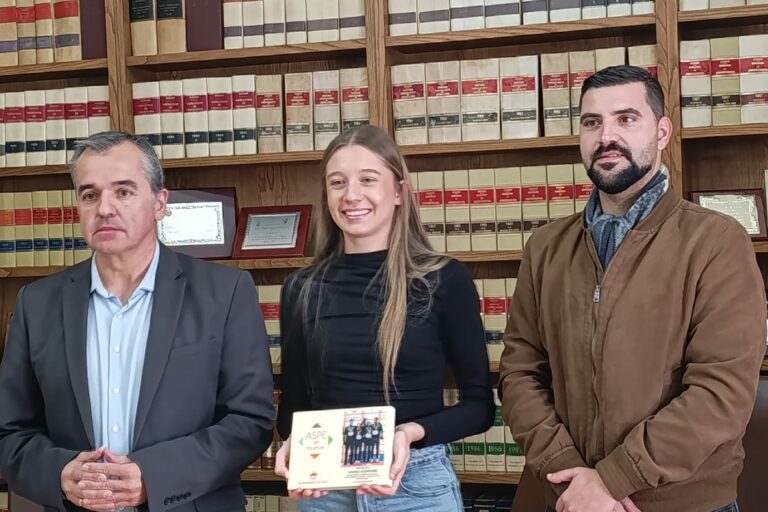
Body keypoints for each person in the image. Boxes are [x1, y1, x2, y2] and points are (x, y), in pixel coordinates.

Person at [498, 65, 766, 512]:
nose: (606, 136)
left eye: (626, 119)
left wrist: (611, 480)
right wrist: (570, 474)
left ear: (662, 132)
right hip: (570, 495)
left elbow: (723, 392)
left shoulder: (716, 242)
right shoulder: (545, 247)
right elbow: (519, 374)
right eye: (592, 122)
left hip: (681, 504)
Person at [0, 131, 275, 512]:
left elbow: (251, 421)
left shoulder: (225, 292)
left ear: (160, 203)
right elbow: (10, 430)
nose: (105, 208)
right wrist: (59, 473)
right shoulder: (37, 302)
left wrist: (155, 477)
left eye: (124, 192)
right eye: (90, 195)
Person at [274, 125, 495, 511]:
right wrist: (297, 448)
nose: (351, 195)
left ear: (398, 192)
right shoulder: (301, 289)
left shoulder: (443, 280)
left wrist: (408, 433)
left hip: (415, 485)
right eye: (337, 182)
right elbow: (294, 407)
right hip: (327, 491)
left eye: (368, 179)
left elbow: (480, 407)